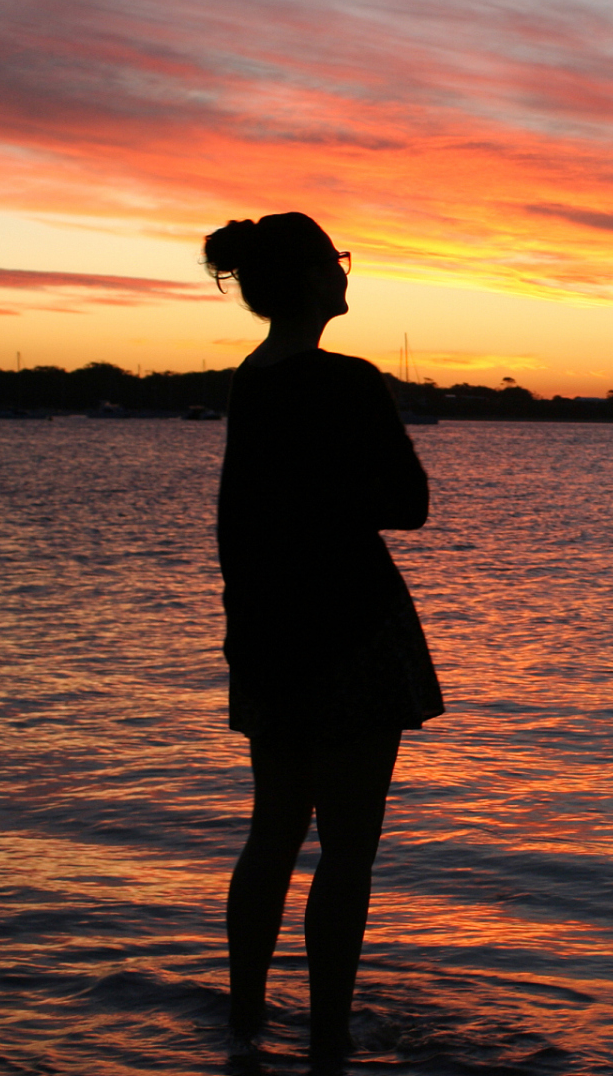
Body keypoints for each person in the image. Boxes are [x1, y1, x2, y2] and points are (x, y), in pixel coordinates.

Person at [202, 211, 443, 1071]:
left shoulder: (251, 381)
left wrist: (244, 635)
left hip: (268, 632)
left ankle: (243, 1024)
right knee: (347, 848)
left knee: (273, 829)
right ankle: (331, 1041)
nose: (346, 273)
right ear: (312, 278)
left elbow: (236, 525)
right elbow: (408, 503)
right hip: (350, 633)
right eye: (337, 261)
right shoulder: (346, 380)